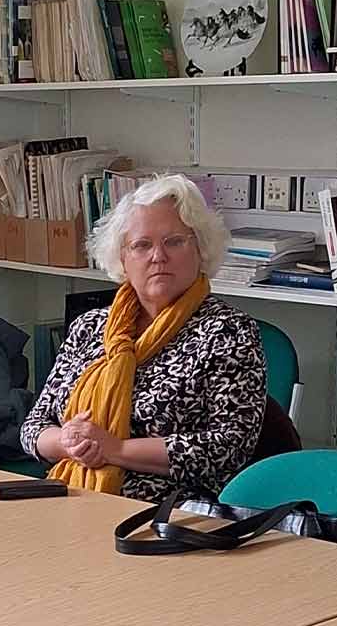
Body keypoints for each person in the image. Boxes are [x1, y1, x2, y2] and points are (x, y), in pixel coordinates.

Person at [22, 173, 265, 501]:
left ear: (200, 249)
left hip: (168, 513)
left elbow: (228, 447)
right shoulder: (88, 328)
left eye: (174, 242)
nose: (158, 256)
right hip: (70, 492)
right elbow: (34, 426)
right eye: (142, 245)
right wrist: (67, 442)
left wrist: (116, 449)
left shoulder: (229, 332)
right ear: (122, 258)